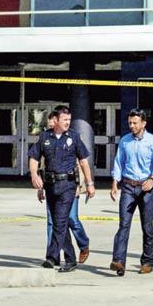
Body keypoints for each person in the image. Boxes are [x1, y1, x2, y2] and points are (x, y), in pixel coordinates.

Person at [28, 106, 95, 272]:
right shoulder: (44, 137)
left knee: (60, 221)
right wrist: (34, 175)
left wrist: (90, 183)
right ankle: (71, 259)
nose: (67, 123)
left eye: (69, 120)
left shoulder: (74, 137)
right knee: (59, 223)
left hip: (68, 186)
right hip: (51, 186)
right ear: (55, 120)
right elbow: (34, 157)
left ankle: (51, 257)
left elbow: (84, 161)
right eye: (64, 120)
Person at [110, 108, 153, 276]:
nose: (132, 126)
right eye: (130, 123)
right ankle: (119, 261)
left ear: (143, 123)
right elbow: (119, 162)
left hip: (146, 188)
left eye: (135, 123)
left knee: (147, 226)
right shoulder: (125, 141)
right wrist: (114, 183)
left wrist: (152, 179)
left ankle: (147, 261)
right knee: (123, 225)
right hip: (128, 187)